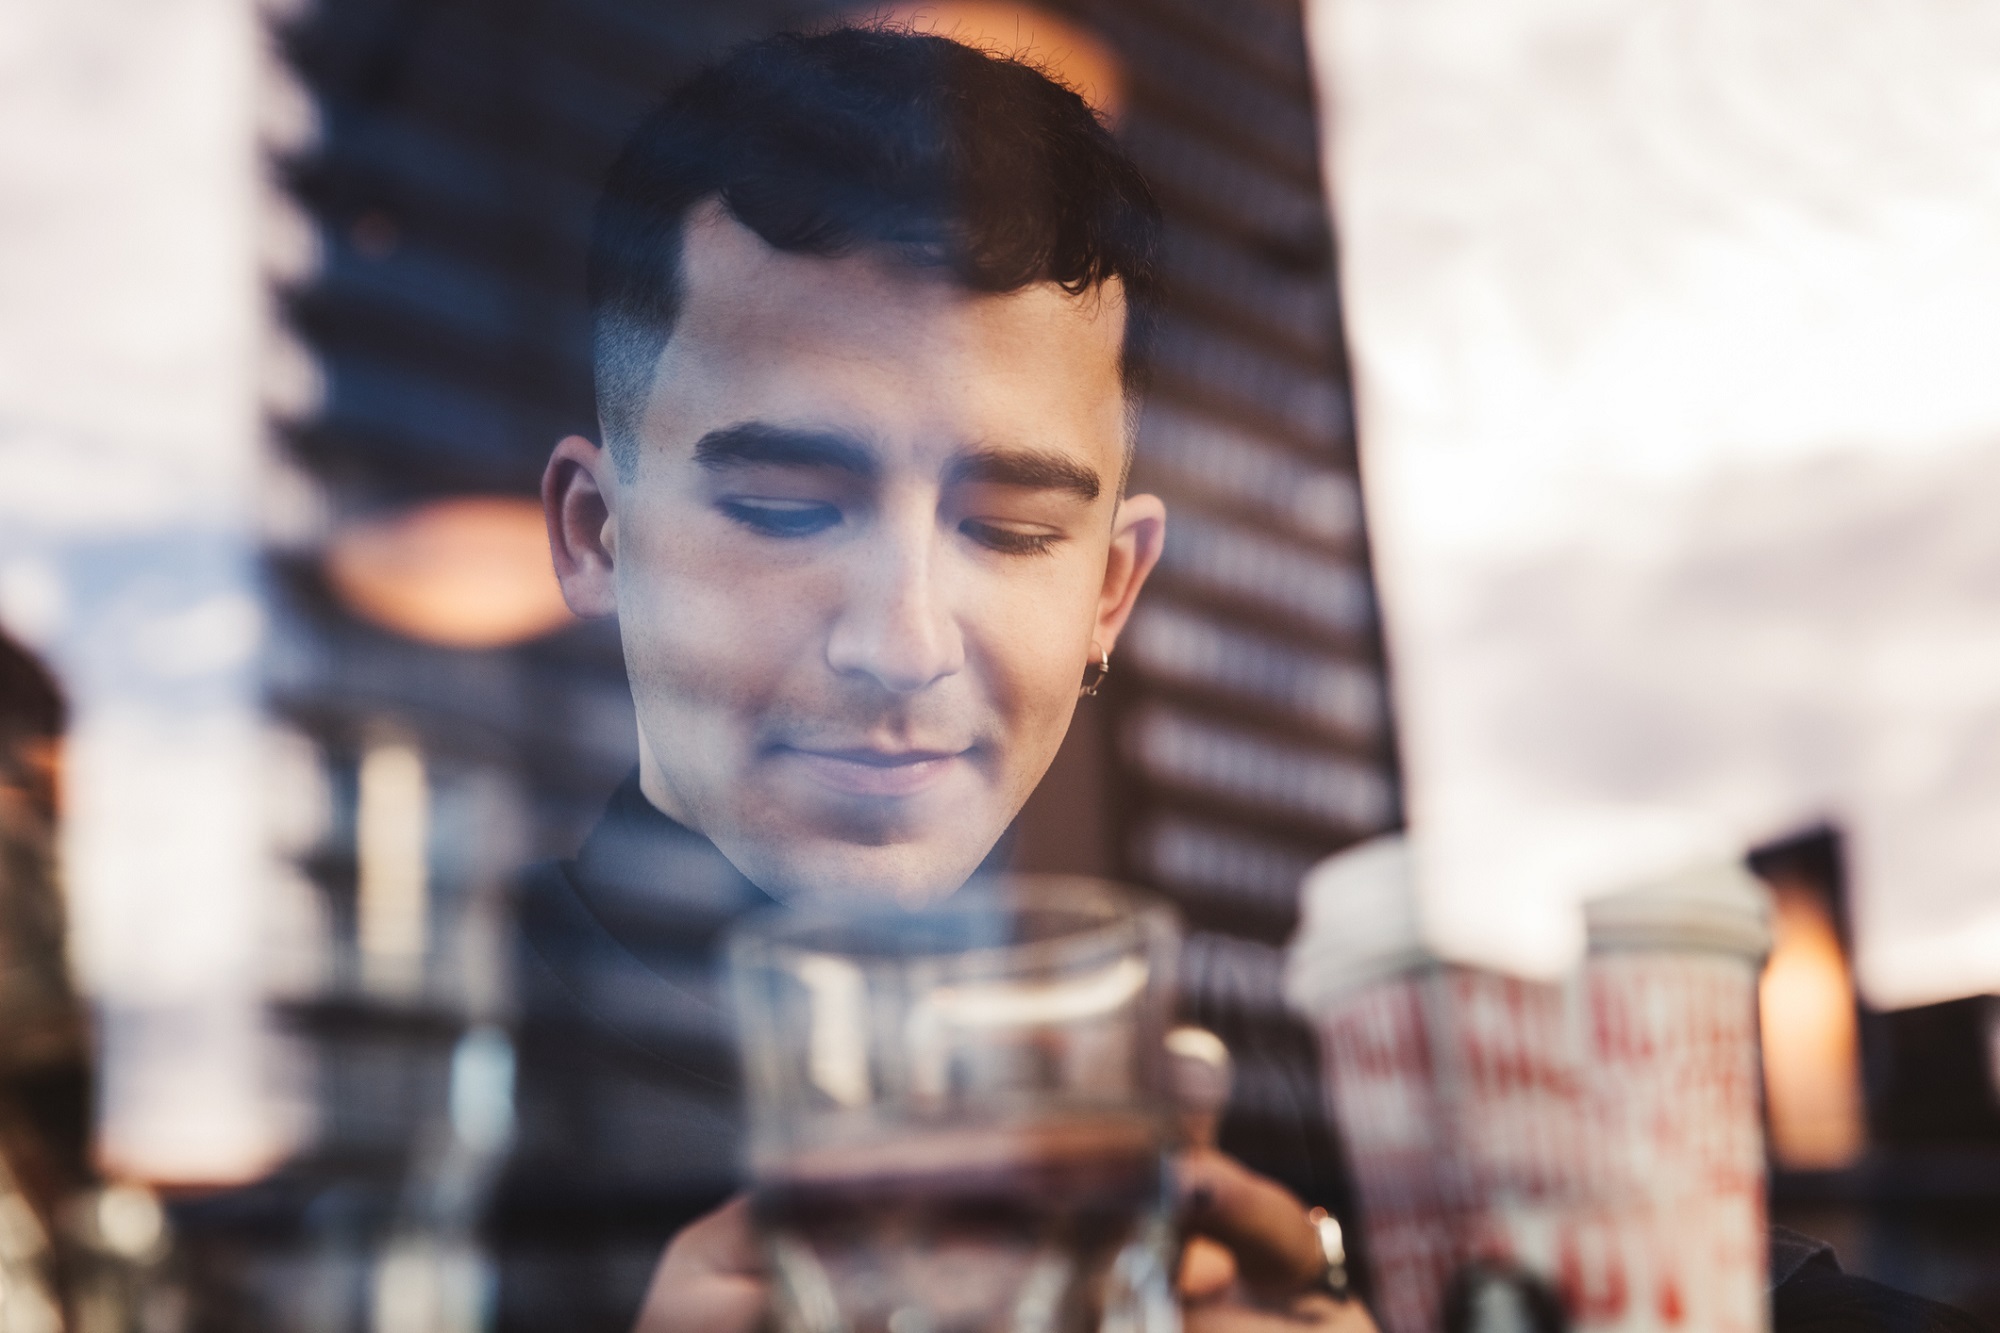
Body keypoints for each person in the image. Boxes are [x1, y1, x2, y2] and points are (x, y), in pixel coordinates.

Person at [502, 23, 1373, 1333]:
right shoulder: (409, 1087)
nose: (901, 641)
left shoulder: (1279, 1077)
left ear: (1112, 593)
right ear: (594, 536)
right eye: (788, 508)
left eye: (1012, 531)